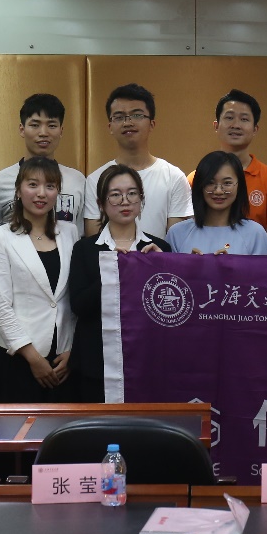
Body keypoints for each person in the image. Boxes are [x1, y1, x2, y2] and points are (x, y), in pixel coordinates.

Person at [69, 165, 171, 402]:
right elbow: (79, 305)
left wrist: (160, 265)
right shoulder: (85, 248)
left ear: (141, 200)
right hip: (96, 362)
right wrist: (111, 271)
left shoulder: (159, 248)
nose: (125, 201)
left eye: (132, 193)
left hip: (147, 359)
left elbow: (167, 310)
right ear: (101, 203)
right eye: (115, 195)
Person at [0, 156, 81, 402]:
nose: (41, 193)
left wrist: (72, 349)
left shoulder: (70, 232)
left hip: (63, 358)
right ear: (18, 190)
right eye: (33, 185)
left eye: (50, 186)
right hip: (18, 356)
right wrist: (33, 358)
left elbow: (73, 298)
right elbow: (0, 305)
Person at [82, 83, 193, 238]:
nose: (128, 123)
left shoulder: (174, 177)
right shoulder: (96, 179)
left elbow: (176, 240)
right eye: (119, 117)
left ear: (152, 124)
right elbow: (94, 239)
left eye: (137, 115)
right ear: (110, 127)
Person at [0, 93, 87, 230]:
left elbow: (81, 234)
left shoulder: (77, 180)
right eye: (35, 125)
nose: (43, 133)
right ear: (22, 129)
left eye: (52, 125)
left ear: (61, 131)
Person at [189, 90, 267, 234]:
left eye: (244, 119)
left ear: (255, 129)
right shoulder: (195, 178)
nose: (236, 125)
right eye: (229, 117)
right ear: (216, 125)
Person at [168, 151, 267, 255]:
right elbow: (166, 267)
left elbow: (265, 267)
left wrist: (231, 264)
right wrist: (188, 264)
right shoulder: (177, 233)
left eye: (227, 183)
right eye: (210, 183)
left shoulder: (255, 233)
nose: (218, 191)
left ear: (239, 186)